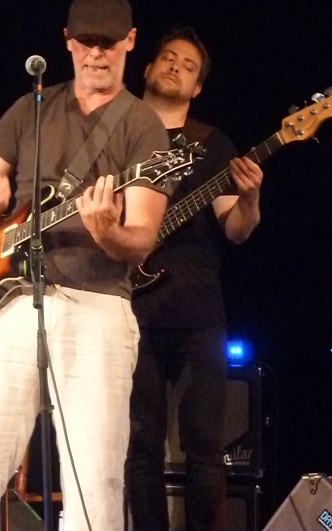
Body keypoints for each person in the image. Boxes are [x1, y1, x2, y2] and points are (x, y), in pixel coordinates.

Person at [0, 0, 171, 531]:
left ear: (130, 41)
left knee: (94, 491)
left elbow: (141, 237)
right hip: (12, 302)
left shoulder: (144, 126)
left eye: (108, 42)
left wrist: (108, 231)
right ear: (67, 41)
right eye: (86, 41)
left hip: (98, 307)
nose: (96, 53)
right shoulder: (31, 108)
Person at [125, 27, 262, 531]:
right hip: (128, 311)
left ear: (197, 87)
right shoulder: (116, 134)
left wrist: (250, 199)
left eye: (188, 65)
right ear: (147, 67)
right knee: (139, 446)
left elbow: (237, 229)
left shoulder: (212, 144)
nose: (176, 67)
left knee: (205, 446)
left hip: (199, 314)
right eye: (168, 57)